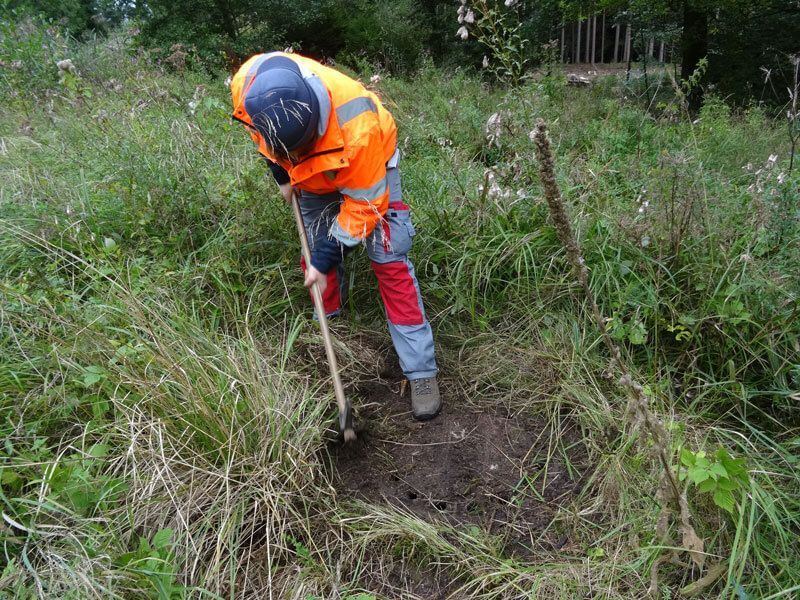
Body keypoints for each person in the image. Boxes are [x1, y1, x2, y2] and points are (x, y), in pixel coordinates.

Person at [230, 52, 441, 420]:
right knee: (313, 251)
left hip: (365, 167)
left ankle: (421, 371)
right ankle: (330, 332)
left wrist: (329, 256)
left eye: (299, 145)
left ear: (314, 121)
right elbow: (258, 137)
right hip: (308, 175)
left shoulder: (359, 128)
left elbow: (364, 207)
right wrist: (282, 174)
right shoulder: (246, 88)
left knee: (388, 259)